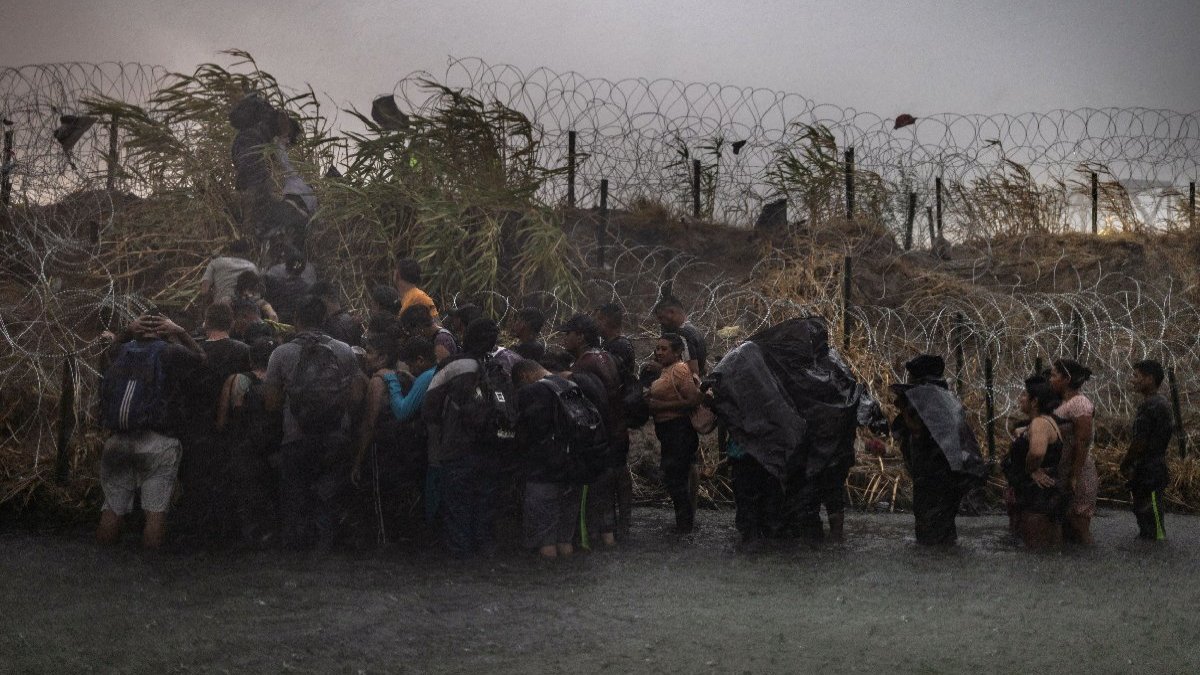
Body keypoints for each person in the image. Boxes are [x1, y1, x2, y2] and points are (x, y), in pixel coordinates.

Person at [264, 296, 367, 551]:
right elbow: (356, 397)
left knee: (295, 499)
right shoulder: (344, 350)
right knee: (327, 498)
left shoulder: (281, 353)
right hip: (335, 437)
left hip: (296, 438)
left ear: (296, 320)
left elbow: (272, 404)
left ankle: (297, 554)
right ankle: (325, 550)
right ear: (324, 319)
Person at [96, 313, 205, 550]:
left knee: (112, 509)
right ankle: (149, 566)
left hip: (118, 441)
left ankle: (100, 560)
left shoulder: (121, 351)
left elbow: (105, 355)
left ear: (138, 329)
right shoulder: (170, 353)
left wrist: (127, 331)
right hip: (157, 442)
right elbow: (201, 359)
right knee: (155, 512)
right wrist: (179, 331)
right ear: (163, 330)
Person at [421, 318, 516, 557]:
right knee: (485, 504)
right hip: (492, 448)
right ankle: (485, 551)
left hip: (457, 450)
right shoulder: (498, 367)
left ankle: (460, 556)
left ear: (466, 337)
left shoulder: (453, 366)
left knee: (457, 507)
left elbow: (429, 408)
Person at [890, 355, 987, 546]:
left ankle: (934, 559)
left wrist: (905, 411)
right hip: (950, 475)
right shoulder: (945, 398)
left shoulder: (926, 398)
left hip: (934, 477)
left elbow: (918, 432)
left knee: (930, 531)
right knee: (944, 527)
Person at [558, 313, 623, 547]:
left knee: (589, 496)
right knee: (605, 495)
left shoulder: (584, 364)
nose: (564, 339)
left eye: (568, 334)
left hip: (596, 436)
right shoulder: (606, 356)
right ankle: (611, 538)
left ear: (581, 336)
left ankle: (587, 544)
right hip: (614, 432)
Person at [513, 359, 585, 559]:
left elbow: (525, 434)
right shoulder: (571, 386)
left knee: (545, 542)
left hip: (543, 473)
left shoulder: (532, 392)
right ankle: (567, 575)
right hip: (573, 470)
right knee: (565, 540)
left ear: (526, 375)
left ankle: (546, 575)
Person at [217, 338, 282, 547]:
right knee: (271, 493)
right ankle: (270, 537)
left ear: (251, 359)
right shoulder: (279, 382)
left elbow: (221, 421)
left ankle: (245, 538)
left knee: (244, 495)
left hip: (242, 448)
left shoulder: (236, 380)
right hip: (273, 448)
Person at [646, 333, 703, 534]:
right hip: (669, 431)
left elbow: (693, 399)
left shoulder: (679, 369)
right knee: (674, 478)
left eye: (664, 349)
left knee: (676, 479)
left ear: (677, 352)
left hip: (679, 431)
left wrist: (660, 406)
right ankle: (683, 524)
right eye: (657, 348)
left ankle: (684, 527)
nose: (659, 352)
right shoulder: (666, 369)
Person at [1003, 376, 1065, 550]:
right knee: (1047, 546)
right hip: (1044, 491)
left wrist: (1031, 469)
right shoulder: (1045, 421)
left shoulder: (1039, 423)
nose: (1020, 398)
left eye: (1024, 395)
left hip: (1037, 493)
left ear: (1035, 401)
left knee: (1035, 547)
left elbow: (1037, 452)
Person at [593, 302, 638, 539]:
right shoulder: (612, 345)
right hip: (615, 415)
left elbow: (613, 379)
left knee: (617, 469)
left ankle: (622, 523)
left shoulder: (618, 346)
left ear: (607, 319)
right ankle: (618, 522)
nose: (596, 323)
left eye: (598, 318)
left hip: (616, 416)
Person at [1121, 360, 1173, 541]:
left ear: (1149, 379)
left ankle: (1155, 550)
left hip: (1149, 469)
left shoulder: (1151, 405)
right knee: (1145, 512)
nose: (1132, 380)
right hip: (1152, 467)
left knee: (1152, 518)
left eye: (1136, 376)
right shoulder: (1159, 402)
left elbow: (1140, 441)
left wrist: (1126, 463)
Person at [1049, 358, 1098, 545]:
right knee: (1066, 529)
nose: (1050, 380)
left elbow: (1083, 441)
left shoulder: (1079, 403)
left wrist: (1075, 476)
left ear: (1066, 379)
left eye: (1054, 375)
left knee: (1079, 526)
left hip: (1078, 473)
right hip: (1064, 472)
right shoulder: (1063, 402)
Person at [654, 296, 707, 376]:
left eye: (661, 317)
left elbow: (692, 371)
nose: (660, 322)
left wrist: (660, 368)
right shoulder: (694, 330)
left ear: (671, 312)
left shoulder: (683, 334)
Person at [200, 239, 258, 306]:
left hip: (221, 307)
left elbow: (205, 289)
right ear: (247, 253)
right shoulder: (252, 267)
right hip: (246, 306)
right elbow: (256, 292)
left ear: (230, 251)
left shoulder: (216, 262)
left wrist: (205, 304)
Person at [264, 249, 313, 325]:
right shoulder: (308, 288)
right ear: (303, 269)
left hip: (277, 323)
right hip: (299, 325)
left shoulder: (275, 284)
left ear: (286, 266)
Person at [310, 281, 362, 348]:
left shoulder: (330, 326)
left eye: (316, 303)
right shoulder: (349, 321)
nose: (315, 307)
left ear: (326, 298)